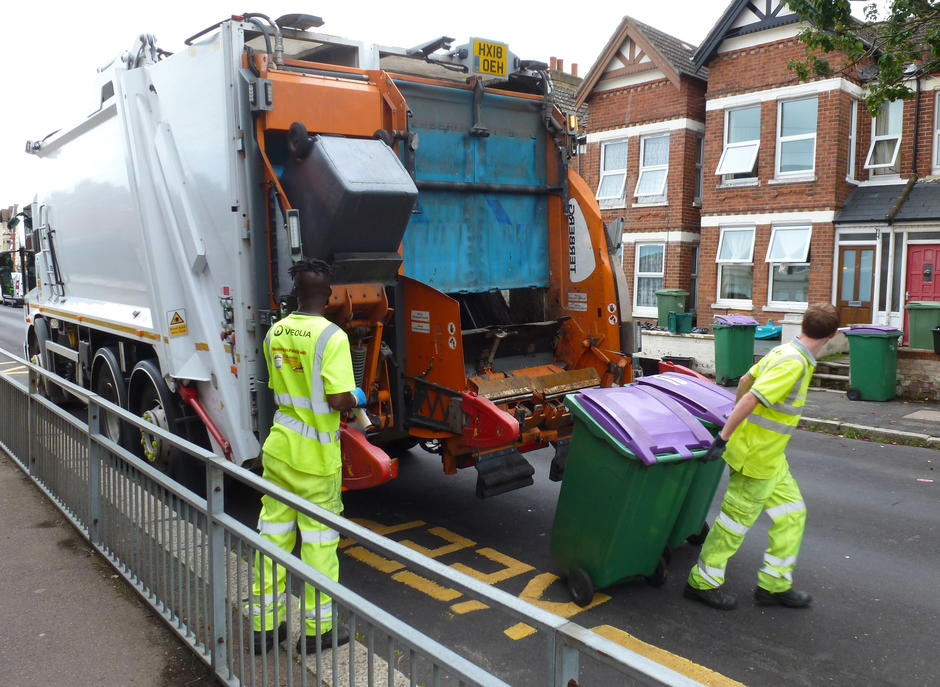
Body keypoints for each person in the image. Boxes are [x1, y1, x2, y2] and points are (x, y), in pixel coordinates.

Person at [684, 302, 840, 610]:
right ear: (832, 335)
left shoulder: (784, 351)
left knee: (792, 514)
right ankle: (701, 582)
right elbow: (753, 397)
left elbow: (744, 381)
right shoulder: (793, 363)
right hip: (755, 460)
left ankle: (774, 585)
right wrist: (725, 436)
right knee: (733, 524)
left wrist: (737, 429)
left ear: (804, 325)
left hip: (771, 460)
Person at [251, 257, 366, 653]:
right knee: (318, 546)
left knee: (273, 538)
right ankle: (318, 634)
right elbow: (336, 399)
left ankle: (266, 628)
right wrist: (358, 396)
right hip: (316, 458)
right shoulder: (332, 337)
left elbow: (279, 387)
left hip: (279, 451)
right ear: (329, 296)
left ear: (295, 292)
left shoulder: (274, 333)